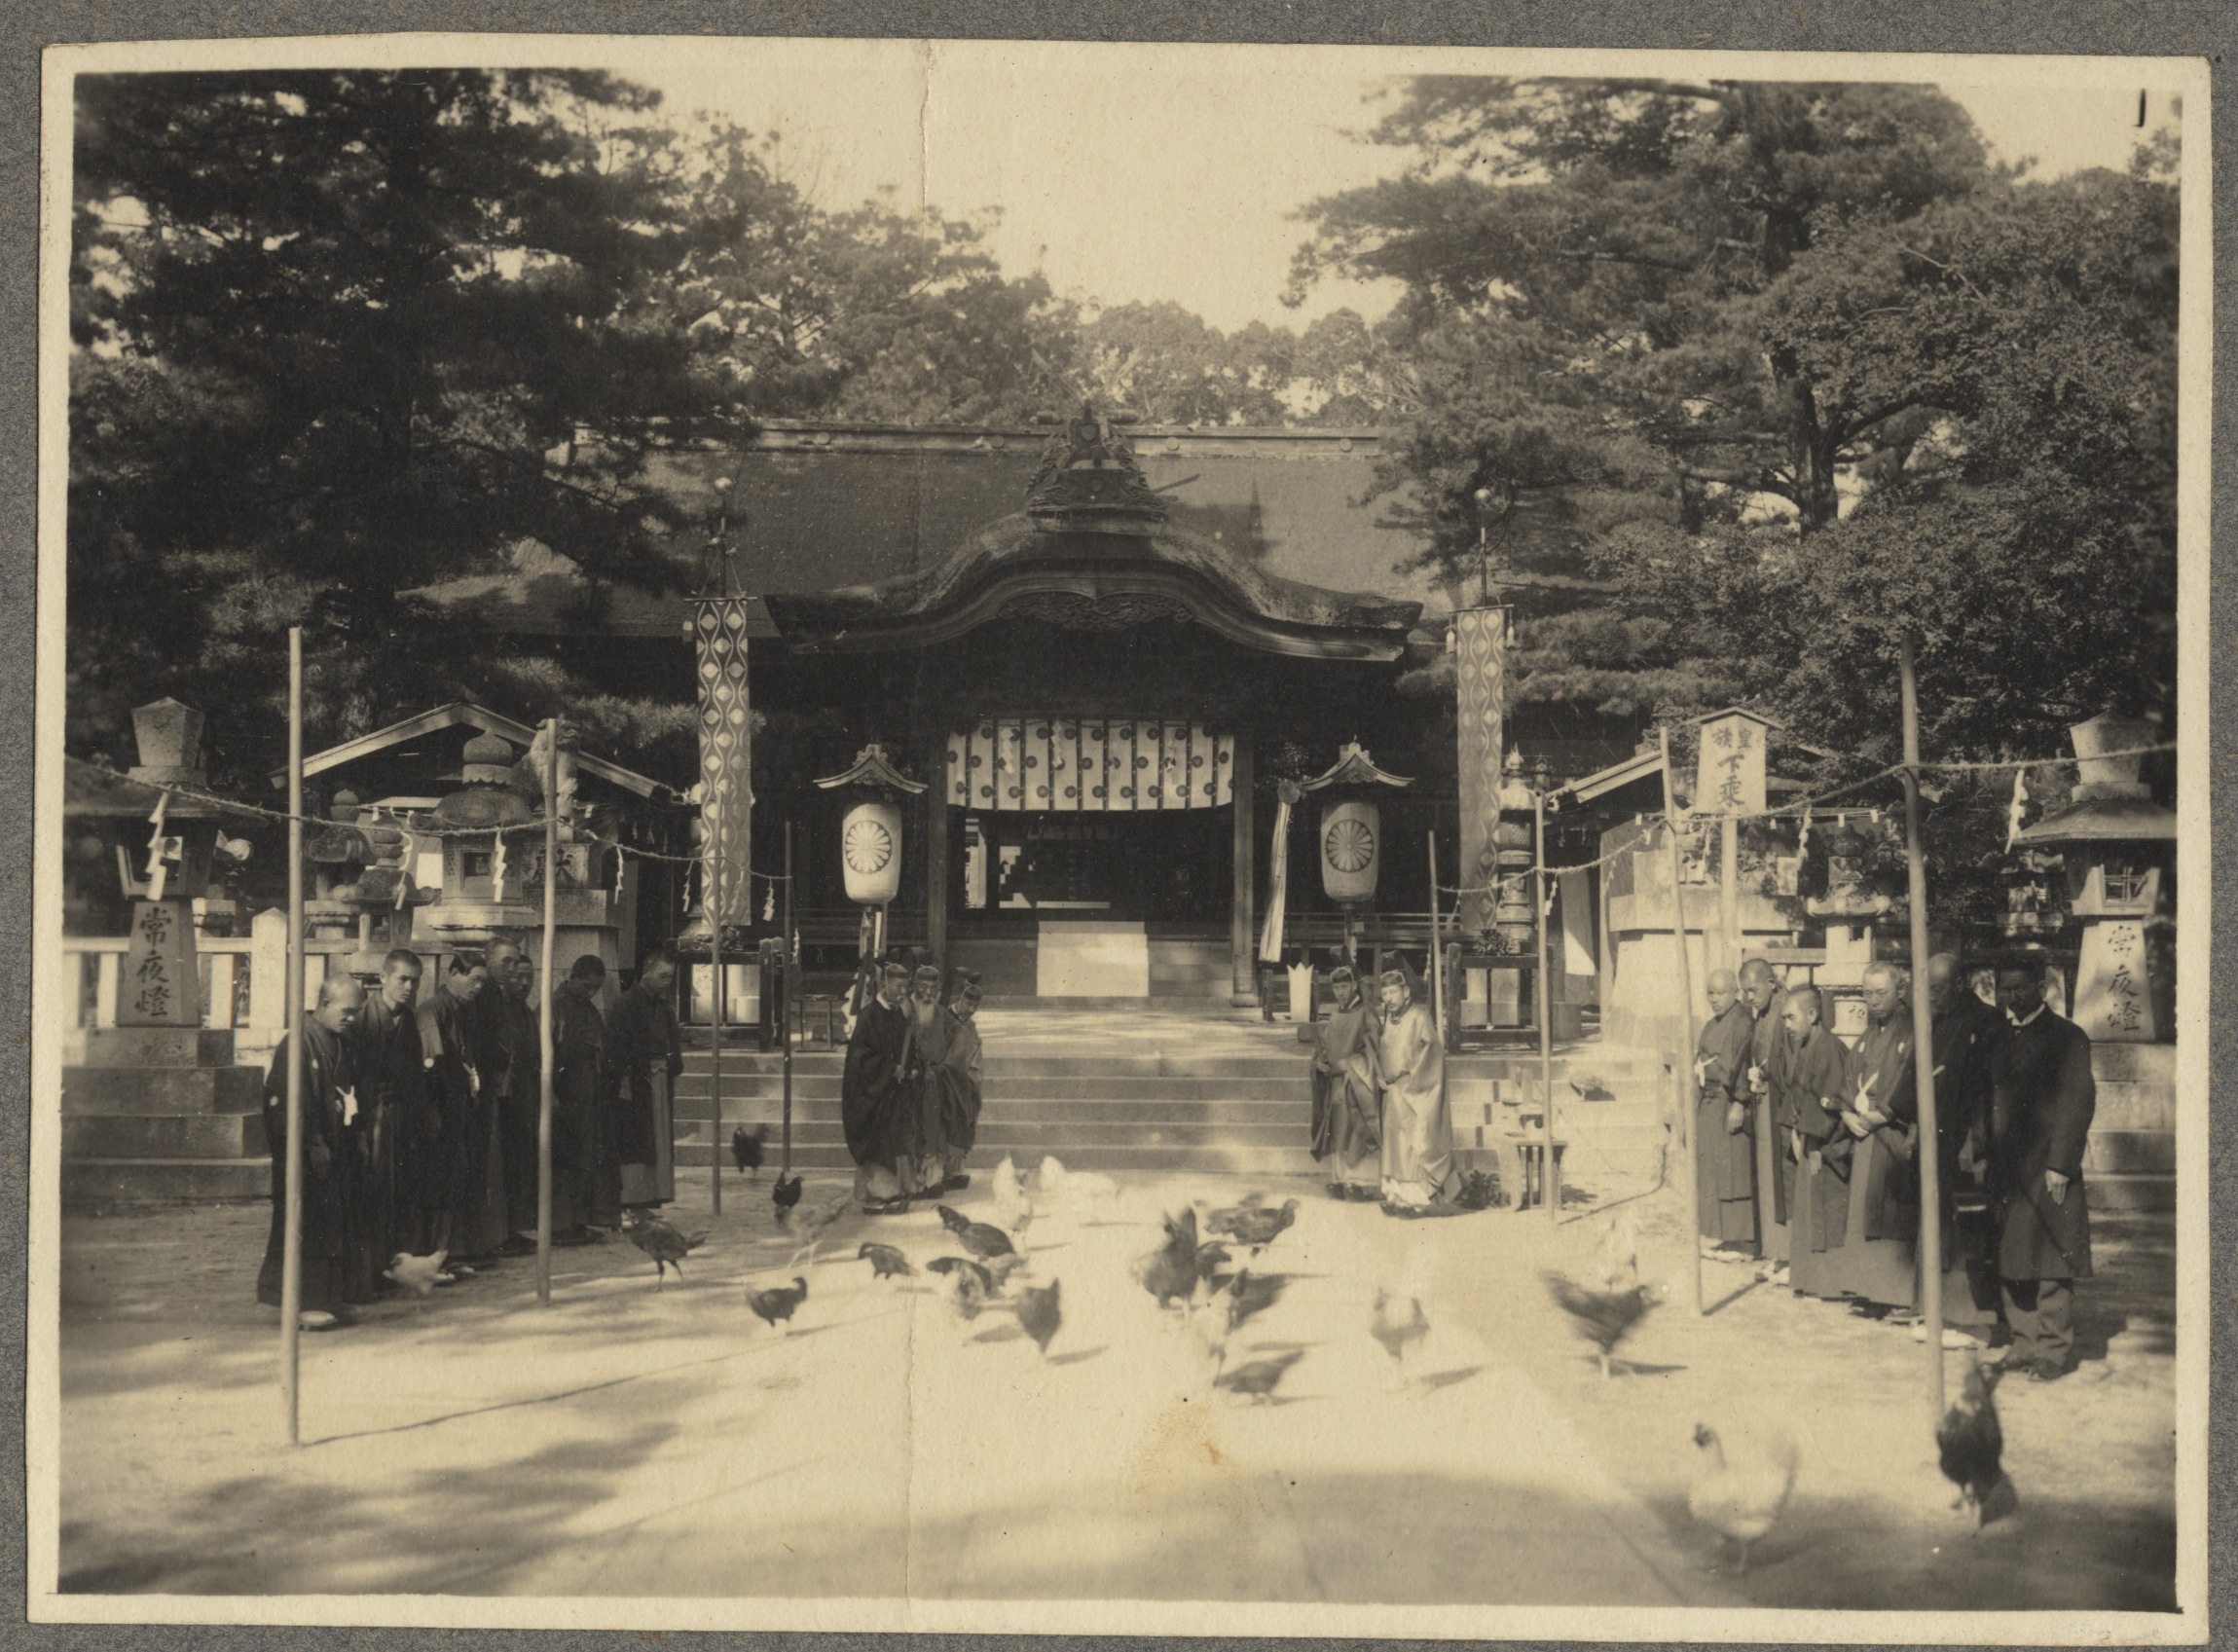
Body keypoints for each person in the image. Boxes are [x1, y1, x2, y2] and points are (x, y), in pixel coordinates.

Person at [1986, 956, 2097, 1381]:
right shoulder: (1998, 1036)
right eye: (2004, 988)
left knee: (2051, 1260)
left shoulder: (2067, 1037)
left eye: (2018, 987)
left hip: (2046, 1165)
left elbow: (2077, 1102)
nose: (2010, 996)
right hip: (2006, 1166)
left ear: (2041, 987)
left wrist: (2062, 1164)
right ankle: (2022, 1341)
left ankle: (2052, 1351)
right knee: (2012, 1257)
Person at [257, 973, 368, 1330]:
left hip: (336, 1146)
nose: (351, 1018)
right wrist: (312, 1142)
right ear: (324, 1004)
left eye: (356, 1012)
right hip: (306, 1152)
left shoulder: (339, 1041)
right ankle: (299, 1301)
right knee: (304, 1225)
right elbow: (287, 1102)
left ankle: (325, 1296)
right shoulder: (299, 1043)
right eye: (347, 1011)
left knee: (331, 1224)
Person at [349, 947, 426, 1283]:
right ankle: (367, 1269)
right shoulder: (363, 1018)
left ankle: (394, 1263)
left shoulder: (408, 1019)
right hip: (371, 1114)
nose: (409, 987)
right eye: (403, 979)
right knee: (373, 1191)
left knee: (401, 1190)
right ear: (383, 978)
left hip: (401, 1116)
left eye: (415, 981)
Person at [420, 953, 501, 1267]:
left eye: (483, 981)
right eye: (474, 979)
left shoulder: (464, 1011)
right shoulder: (433, 1012)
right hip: (442, 1111)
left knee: (460, 1180)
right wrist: (435, 1115)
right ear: (453, 973)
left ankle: (456, 1251)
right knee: (442, 1185)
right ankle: (439, 1255)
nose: (478, 987)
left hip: (462, 1109)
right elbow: (431, 1069)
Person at [1777, 985, 1852, 1299]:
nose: (1788, 1026)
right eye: (1784, 1019)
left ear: (1812, 1014)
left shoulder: (1829, 1048)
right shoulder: (1807, 1046)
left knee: (1826, 1212)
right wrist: (1797, 1129)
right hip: (1807, 1134)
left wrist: (1815, 1141)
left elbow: (1829, 1098)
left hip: (1826, 1140)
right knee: (1810, 1210)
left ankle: (1830, 1282)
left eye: (1791, 1018)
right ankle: (1809, 1276)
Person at [843, 955, 923, 1214]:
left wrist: (909, 1068)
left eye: (906, 988)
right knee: (877, 1143)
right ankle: (876, 1196)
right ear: (885, 986)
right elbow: (860, 1057)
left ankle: (894, 1192)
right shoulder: (869, 1016)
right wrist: (890, 1069)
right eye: (898, 987)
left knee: (895, 1139)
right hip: (873, 1094)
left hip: (894, 1092)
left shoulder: (900, 1014)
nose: (903, 992)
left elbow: (908, 1047)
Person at [1373, 961, 1453, 1215]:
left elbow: (1432, 1054)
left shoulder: (1419, 1016)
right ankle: (1396, 1196)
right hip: (1393, 1093)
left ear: (1406, 992)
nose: (1389, 998)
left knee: (1411, 1146)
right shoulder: (1389, 1020)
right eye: (1385, 994)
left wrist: (1407, 1078)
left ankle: (1415, 1201)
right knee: (1395, 1145)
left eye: (1394, 992)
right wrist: (1382, 1076)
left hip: (1413, 1090)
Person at [550, 954, 619, 1242]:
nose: (591, 993)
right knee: (566, 1161)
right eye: (587, 986)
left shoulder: (588, 1009)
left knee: (587, 1159)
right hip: (565, 1094)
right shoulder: (556, 1006)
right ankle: (560, 1225)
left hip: (590, 1094)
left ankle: (580, 1220)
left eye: (596, 989)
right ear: (573, 977)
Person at [611, 946, 685, 1209]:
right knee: (637, 1143)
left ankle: (653, 1199)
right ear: (646, 972)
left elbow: (673, 1045)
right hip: (636, 1082)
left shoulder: (663, 1007)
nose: (667, 983)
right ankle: (632, 1203)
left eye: (670, 977)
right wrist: (624, 1082)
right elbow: (618, 1049)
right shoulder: (626, 1004)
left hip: (660, 1081)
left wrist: (672, 1068)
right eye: (663, 976)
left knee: (658, 1142)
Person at [1693, 969, 1759, 1256]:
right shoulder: (1711, 1024)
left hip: (1729, 1101)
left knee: (1734, 1167)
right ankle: (1719, 1232)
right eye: (1710, 993)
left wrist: (1740, 1102)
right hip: (1709, 1100)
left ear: (1735, 993)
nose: (1715, 999)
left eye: (1720, 993)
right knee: (1713, 1169)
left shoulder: (1743, 1023)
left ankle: (1740, 1237)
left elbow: (1744, 1063)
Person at [1307, 963, 1381, 1200]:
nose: (1341, 992)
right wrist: (1319, 1062)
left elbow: (1373, 1049)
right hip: (1336, 1084)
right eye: (1336, 987)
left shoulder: (1366, 1014)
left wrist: (1348, 1065)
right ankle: (1340, 1179)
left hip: (1356, 1083)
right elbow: (1326, 1048)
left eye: (1345, 986)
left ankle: (1359, 1183)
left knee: (1355, 1131)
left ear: (1355, 985)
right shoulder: (1336, 1015)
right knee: (1338, 1130)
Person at [1738, 959, 1790, 1273]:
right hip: (1763, 1098)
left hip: (1780, 1101)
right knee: (1766, 1176)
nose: (1749, 998)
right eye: (1745, 992)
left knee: (1779, 1178)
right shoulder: (1763, 1014)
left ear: (1772, 983)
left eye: (1754, 991)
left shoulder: (1786, 1010)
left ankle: (1784, 1253)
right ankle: (1773, 1251)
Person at [929, 973, 985, 1193]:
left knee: (963, 1123)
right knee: (944, 1124)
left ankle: (954, 1170)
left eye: (975, 1006)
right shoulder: (944, 1019)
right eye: (968, 1004)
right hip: (946, 1079)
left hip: (966, 1082)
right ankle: (939, 1173)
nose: (971, 1009)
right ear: (959, 999)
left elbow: (975, 1052)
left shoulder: (970, 1025)